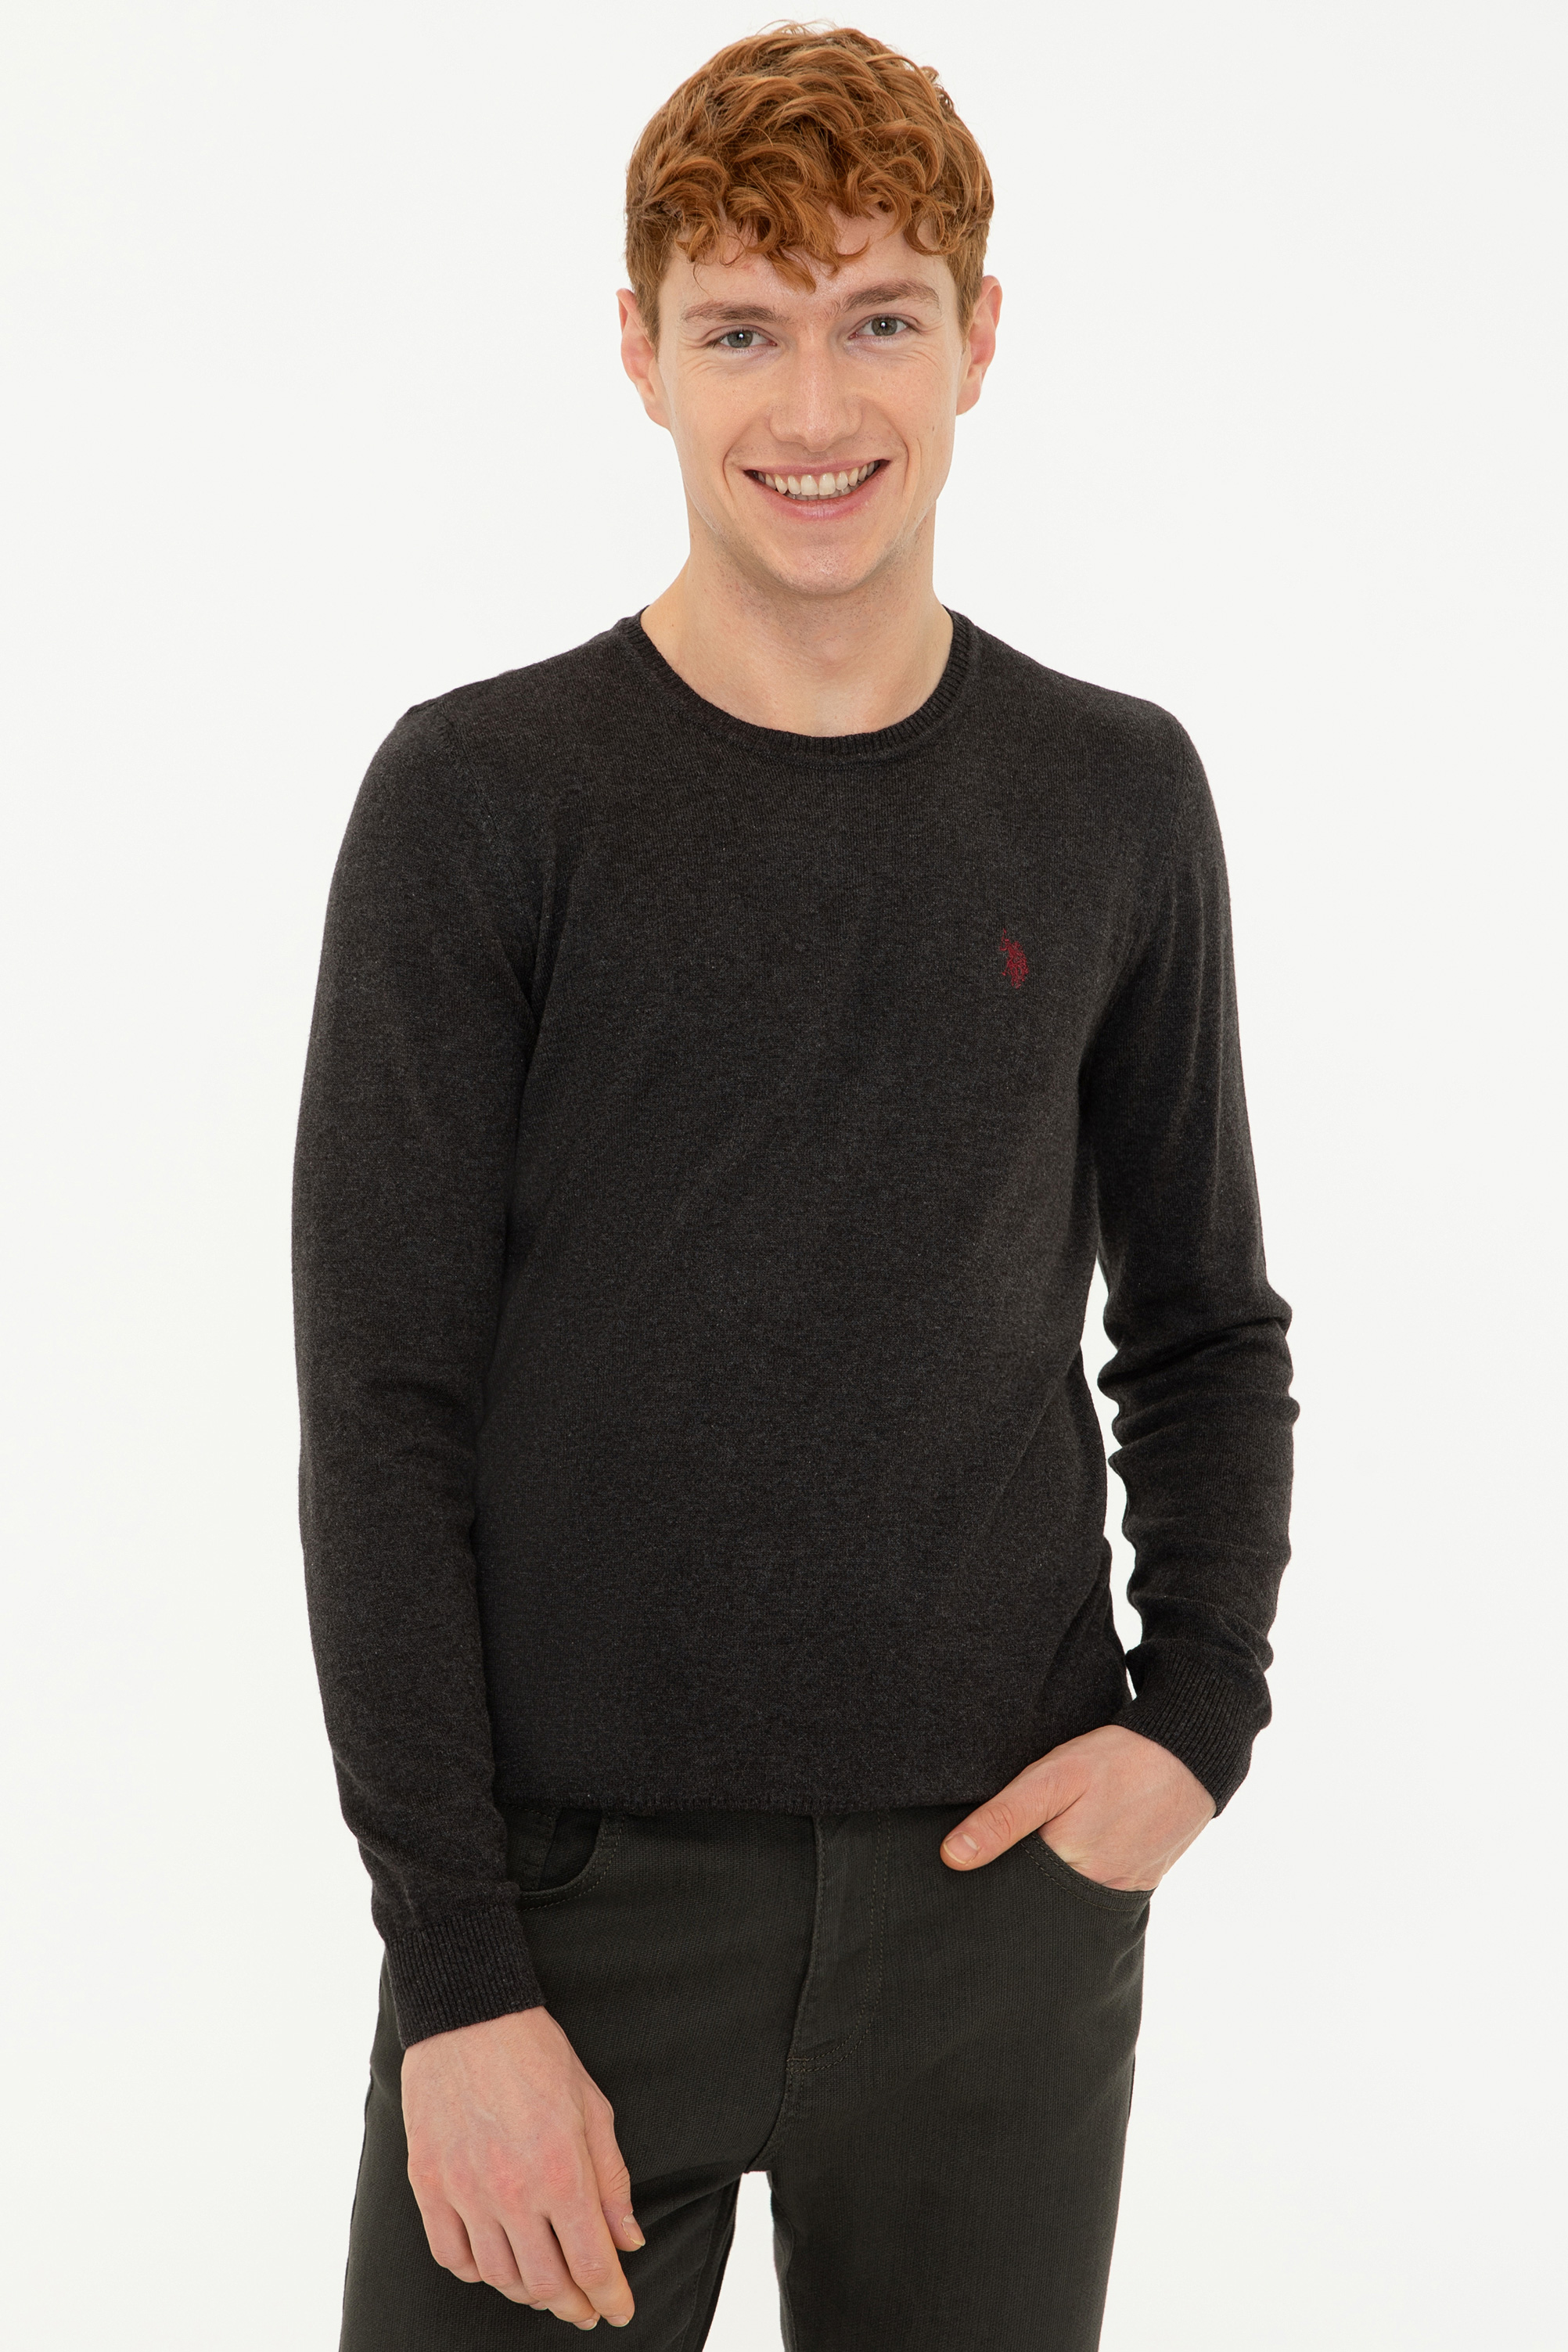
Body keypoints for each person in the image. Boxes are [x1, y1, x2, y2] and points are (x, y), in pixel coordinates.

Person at [292, 23, 1297, 2349]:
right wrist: (457, 1971)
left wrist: (1195, 1725)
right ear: (638, 351)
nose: (814, 406)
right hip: (566, 1917)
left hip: (994, 1904)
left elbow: (1199, 1323)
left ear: (980, 339)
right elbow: (384, 1411)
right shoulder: (481, 801)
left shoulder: (1112, 794)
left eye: (879, 319)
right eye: (741, 329)